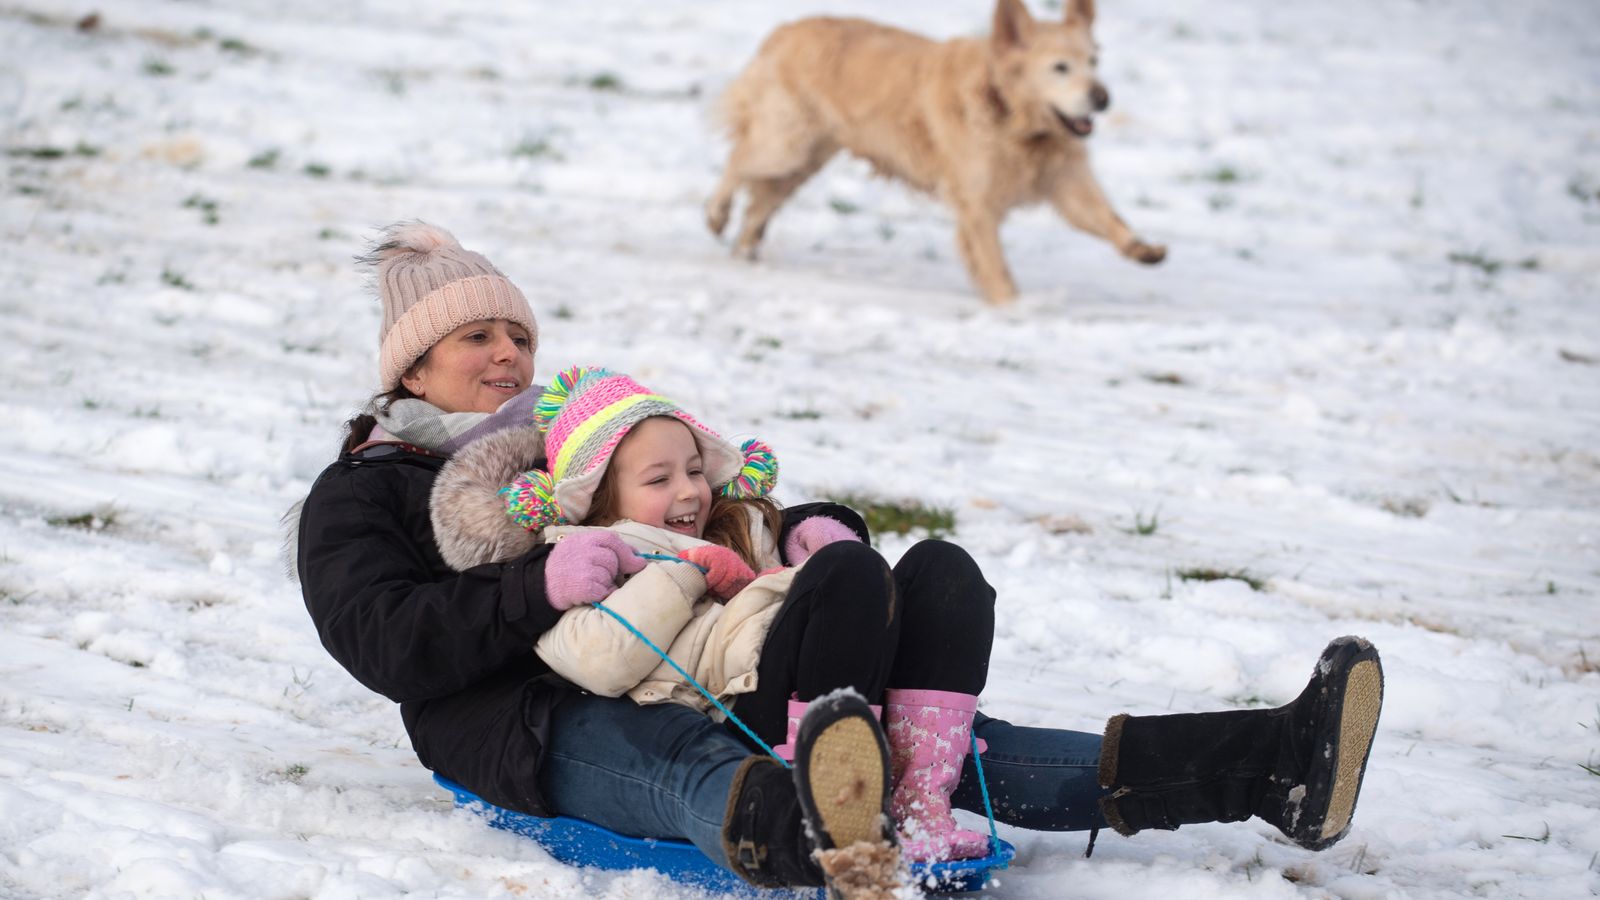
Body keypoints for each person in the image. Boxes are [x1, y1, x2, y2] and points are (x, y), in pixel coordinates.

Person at [293, 221, 1386, 898]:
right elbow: (384, 642)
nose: (506, 355)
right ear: (411, 368)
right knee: (699, 768)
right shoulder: (364, 492)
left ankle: (1270, 764)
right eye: (476, 339)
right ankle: (818, 841)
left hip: (707, 647)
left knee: (938, 746)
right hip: (530, 714)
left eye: (517, 336)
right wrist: (532, 586)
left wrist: (813, 526)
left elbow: (699, 493)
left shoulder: (571, 434)